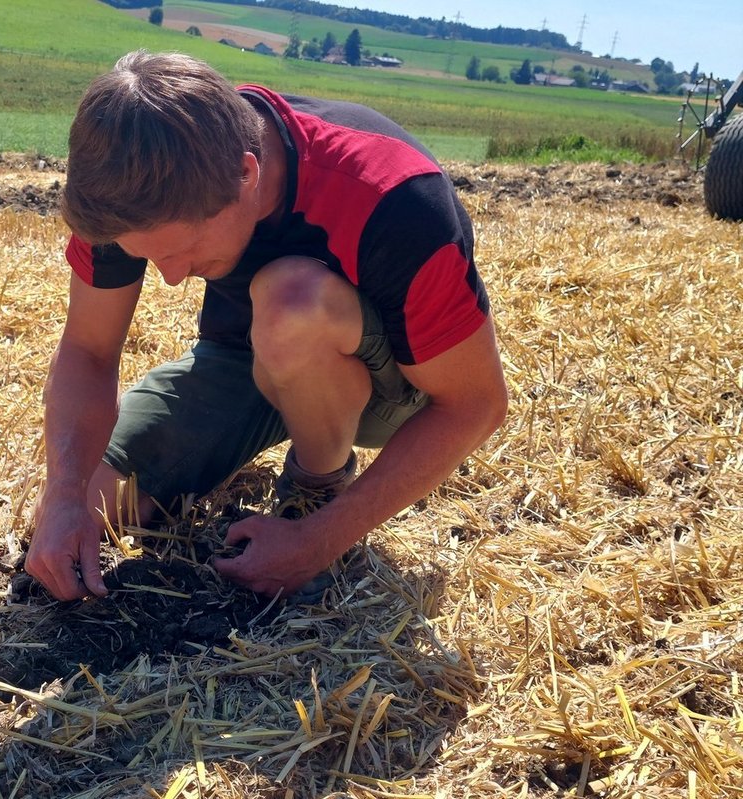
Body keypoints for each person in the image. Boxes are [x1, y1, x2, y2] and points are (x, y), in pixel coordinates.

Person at [25, 51, 507, 602]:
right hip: (244, 357)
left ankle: (315, 488)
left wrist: (317, 539)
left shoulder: (393, 199)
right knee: (88, 503)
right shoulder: (124, 188)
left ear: (246, 176)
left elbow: (476, 404)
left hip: (382, 389)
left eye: (184, 252)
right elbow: (88, 350)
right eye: (148, 257)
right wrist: (63, 496)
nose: (173, 279)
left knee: (291, 299)